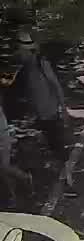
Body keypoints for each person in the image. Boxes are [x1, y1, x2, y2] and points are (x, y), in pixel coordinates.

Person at [8, 41, 70, 175]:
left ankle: (68, 181)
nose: (20, 54)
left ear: (29, 51)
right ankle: (52, 175)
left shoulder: (41, 64)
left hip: (50, 112)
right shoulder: (24, 68)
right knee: (42, 145)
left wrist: (63, 108)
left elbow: (55, 85)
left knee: (57, 146)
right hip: (38, 114)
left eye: (22, 51)